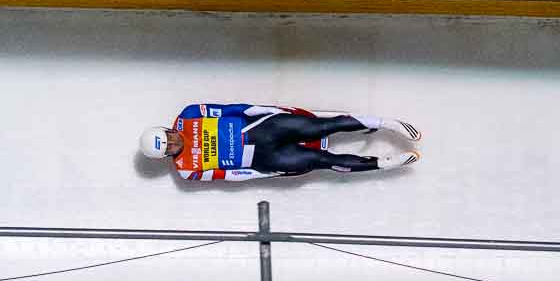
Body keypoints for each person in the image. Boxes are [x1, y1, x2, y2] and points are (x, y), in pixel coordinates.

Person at [139, 103, 421, 181]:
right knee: (322, 161)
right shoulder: (187, 169)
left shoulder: (190, 115)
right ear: (168, 156)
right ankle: (383, 164)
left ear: (168, 128)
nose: (175, 142)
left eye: (169, 137)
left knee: (324, 126)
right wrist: (261, 173)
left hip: (262, 129)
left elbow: (233, 109)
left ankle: (387, 124)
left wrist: (268, 111)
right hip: (262, 160)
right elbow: (229, 176)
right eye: (170, 147)